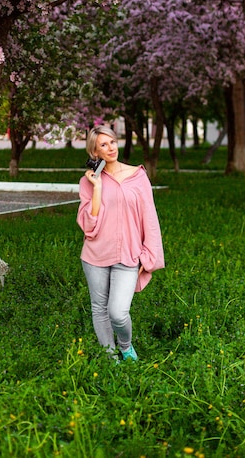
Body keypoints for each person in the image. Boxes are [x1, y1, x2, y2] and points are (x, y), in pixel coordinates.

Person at [77, 125, 164, 362]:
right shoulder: (88, 182)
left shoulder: (138, 176)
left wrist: (150, 255)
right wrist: (97, 187)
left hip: (129, 253)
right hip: (95, 255)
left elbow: (150, 218)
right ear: (95, 152)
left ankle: (125, 346)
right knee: (99, 308)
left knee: (117, 312)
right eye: (103, 145)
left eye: (112, 142)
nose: (110, 148)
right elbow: (88, 225)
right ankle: (110, 358)